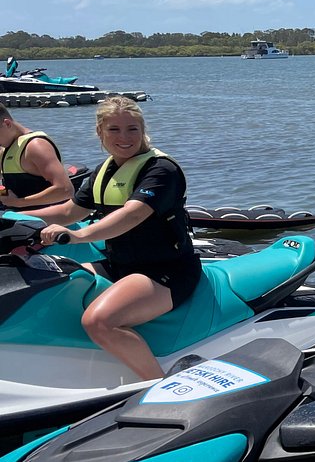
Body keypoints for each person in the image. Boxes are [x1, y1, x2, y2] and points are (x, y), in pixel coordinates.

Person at [26, 96, 201, 381]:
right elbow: (70, 210)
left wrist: (79, 234)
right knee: (49, 285)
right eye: (114, 129)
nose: (124, 137)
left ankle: (157, 385)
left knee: (99, 321)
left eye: (132, 129)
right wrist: (16, 217)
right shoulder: (104, 171)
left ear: (142, 130)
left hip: (165, 271)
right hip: (119, 264)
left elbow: (132, 215)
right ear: (100, 132)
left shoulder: (161, 170)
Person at [0, 107, 75, 210]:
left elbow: (65, 190)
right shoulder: (6, 149)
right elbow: (6, 187)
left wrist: (17, 203)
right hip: (16, 217)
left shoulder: (36, 146)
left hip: (44, 221)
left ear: (7, 124)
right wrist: (3, 195)